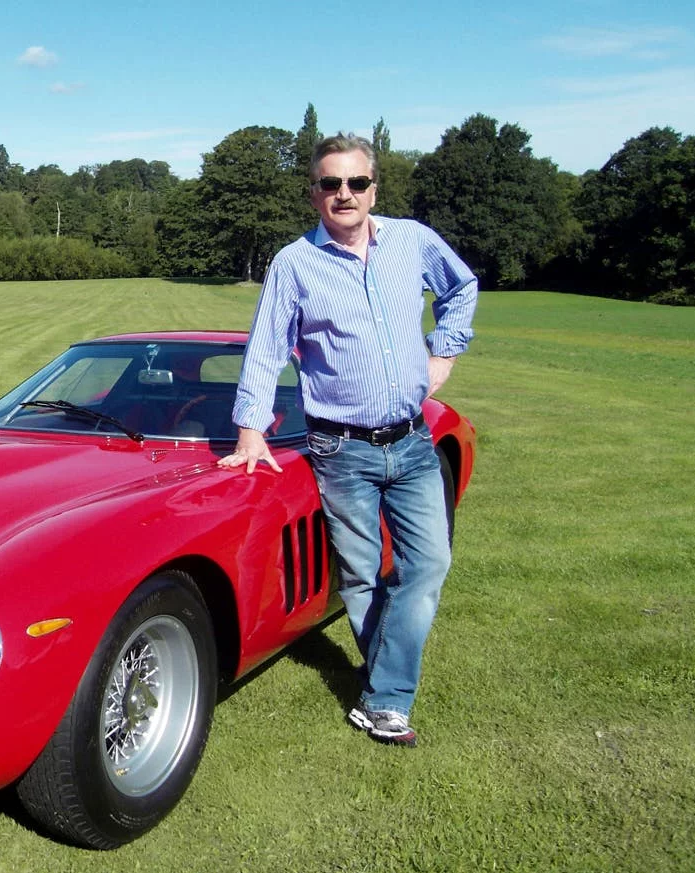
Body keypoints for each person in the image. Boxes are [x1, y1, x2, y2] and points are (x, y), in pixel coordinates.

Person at [218, 132, 478, 746]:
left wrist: (444, 351)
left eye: (355, 183)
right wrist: (251, 430)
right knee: (361, 576)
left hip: (411, 442)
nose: (344, 194)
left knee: (429, 564)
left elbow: (461, 289)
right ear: (313, 193)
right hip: (342, 449)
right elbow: (265, 350)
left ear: (373, 188)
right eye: (330, 183)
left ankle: (383, 686)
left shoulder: (412, 241)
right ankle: (388, 699)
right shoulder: (293, 264)